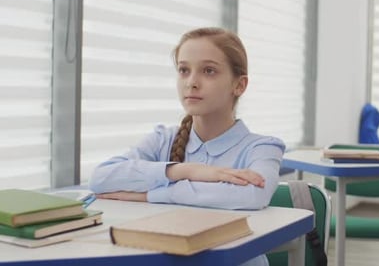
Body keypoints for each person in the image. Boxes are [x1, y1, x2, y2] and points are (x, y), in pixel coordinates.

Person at [89, 27, 286, 265]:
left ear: (239, 85)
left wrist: (150, 195)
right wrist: (184, 170)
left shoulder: (263, 147)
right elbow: (101, 178)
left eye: (209, 71)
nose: (191, 82)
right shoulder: (163, 139)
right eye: (184, 70)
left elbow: (253, 195)